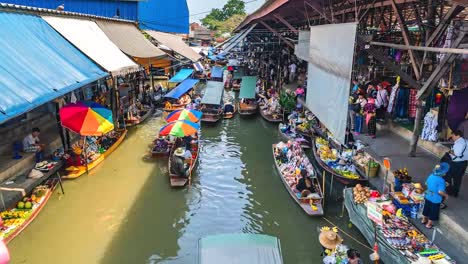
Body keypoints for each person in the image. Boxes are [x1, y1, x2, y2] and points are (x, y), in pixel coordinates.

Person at [422, 162, 450, 229]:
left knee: (426, 207)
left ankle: (423, 220)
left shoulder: (431, 176)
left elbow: (426, 183)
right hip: (435, 198)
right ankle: (428, 224)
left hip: (428, 195)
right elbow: (440, 192)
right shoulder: (441, 180)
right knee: (433, 211)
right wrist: (445, 195)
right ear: (443, 173)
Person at [444, 130, 468, 197]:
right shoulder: (465, 141)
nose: (452, 137)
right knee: (458, 178)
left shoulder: (460, 143)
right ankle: (455, 192)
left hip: (456, 163)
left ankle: (449, 191)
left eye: (453, 135)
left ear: (458, 135)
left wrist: (450, 152)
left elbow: (457, 154)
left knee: (447, 176)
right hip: (463, 163)